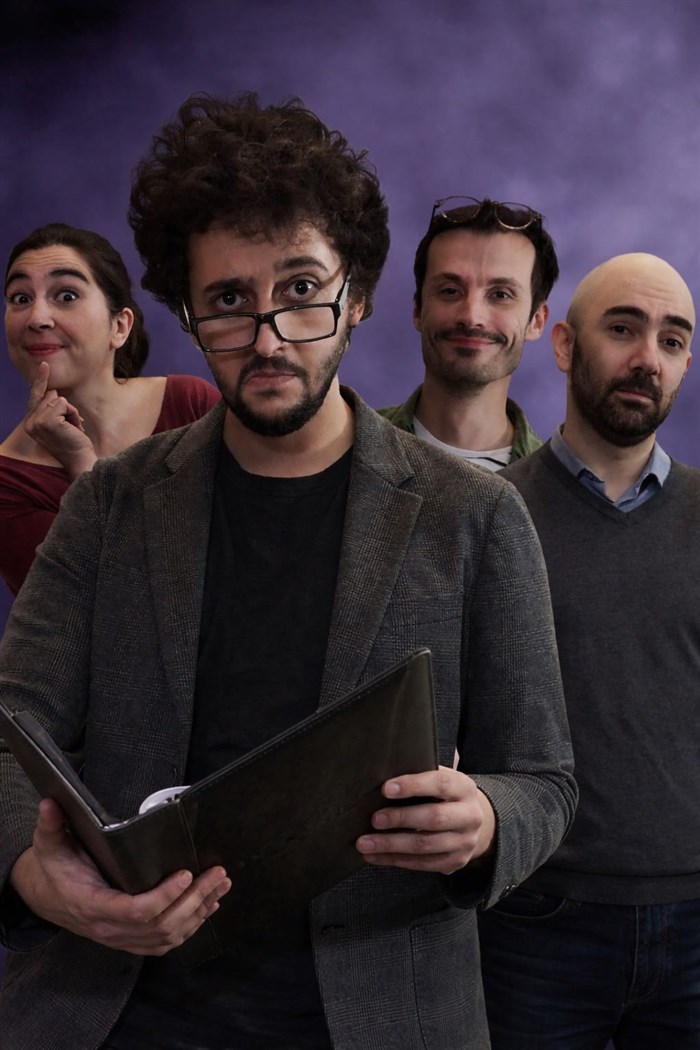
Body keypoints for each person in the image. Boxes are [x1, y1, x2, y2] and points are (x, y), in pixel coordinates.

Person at [0, 93, 576, 1050]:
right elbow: (10, 732)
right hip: (119, 1008)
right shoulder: (108, 507)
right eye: (230, 301)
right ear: (189, 315)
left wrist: (485, 820)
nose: (269, 338)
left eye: (302, 289)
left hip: (381, 1013)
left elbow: (544, 781)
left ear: (357, 296)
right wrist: (31, 873)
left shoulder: (477, 516)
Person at [478, 253, 699, 1048]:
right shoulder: (490, 516)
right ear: (566, 345)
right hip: (535, 921)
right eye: (624, 329)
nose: (649, 359)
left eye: (672, 341)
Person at [0, 222, 220, 595]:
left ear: (119, 327)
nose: (36, 318)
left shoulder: (191, 403)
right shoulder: (7, 483)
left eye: (66, 295)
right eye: (20, 298)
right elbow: (110, 603)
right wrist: (82, 464)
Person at [379, 196, 559, 469]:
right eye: (450, 291)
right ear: (418, 309)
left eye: (501, 294)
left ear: (536, 320)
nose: (471, 317)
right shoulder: (348, 450)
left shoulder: (555, 487)